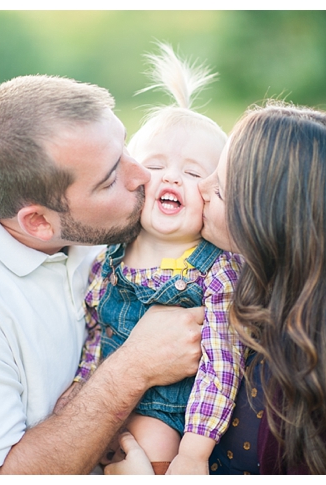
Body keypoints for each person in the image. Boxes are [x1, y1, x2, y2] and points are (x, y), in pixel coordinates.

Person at [0, 74, 204, 474]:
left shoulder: (76, 206)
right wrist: (132, 368)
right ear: (39, 223)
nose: (142, 176)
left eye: (125, 146)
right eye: (111, 178)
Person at [109, 101, 326, 474]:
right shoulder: (263, 297)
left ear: (268, 223)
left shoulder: (324, 382)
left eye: (219, 188)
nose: (200, 188)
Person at [62, 43, 244, 475]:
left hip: (169, 416)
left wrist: (193, 454)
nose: (173, 177)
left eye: (195, 173)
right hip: (101, 402)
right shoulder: (109, 254)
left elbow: (222, 366)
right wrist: (80, 384)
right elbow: (96, 329)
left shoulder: (216, 270)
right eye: (156, 165)